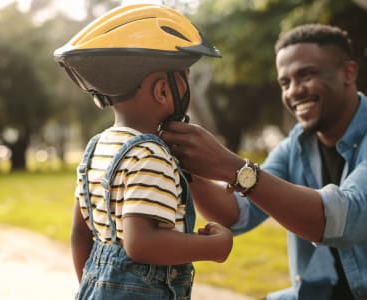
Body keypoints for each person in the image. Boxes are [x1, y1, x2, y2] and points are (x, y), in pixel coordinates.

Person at [160, 24, 367, 299]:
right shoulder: (297, 145)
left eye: (307, 75)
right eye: (285, 82)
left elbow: (346, 219)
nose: (294, 91)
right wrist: (186, 163)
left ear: (348, 72)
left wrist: (229, 165)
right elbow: (237, 213)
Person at [53, 4, 233, 300]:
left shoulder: (97, 147)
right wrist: (218, 247)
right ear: (163, 91)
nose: (187, 85)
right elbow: (142, 244)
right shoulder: (150, 154)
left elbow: (80, 233)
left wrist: (94, 287)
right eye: (185, 76)